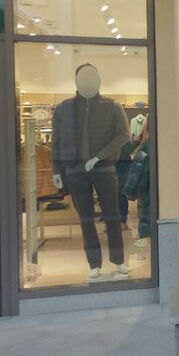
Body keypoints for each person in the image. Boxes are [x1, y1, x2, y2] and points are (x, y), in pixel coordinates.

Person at [51, 64, 130, 280]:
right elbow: (57, 141)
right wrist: (57, 170)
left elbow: (123, 135)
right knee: (86, 219)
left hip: (105, 169)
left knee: (113, 216)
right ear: (76, 81)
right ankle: (94, 264)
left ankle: (118, 260)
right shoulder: (63, 108)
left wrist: (99, 157)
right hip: (75, 170)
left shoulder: (112, 106)